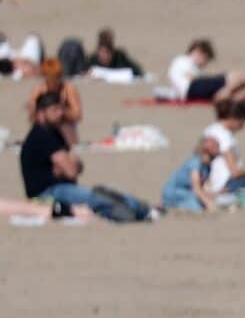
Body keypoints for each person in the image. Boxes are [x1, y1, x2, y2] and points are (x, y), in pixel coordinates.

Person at [19, 90, 151, 221]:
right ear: (41, 113)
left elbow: (77, 166)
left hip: (62, 188)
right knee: (97, 197)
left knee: (103, 193)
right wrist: (68, 165)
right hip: (47, 194)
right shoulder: (41, 135)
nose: (60, 114)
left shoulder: (54, 132)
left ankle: (141, 208)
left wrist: (66, 166)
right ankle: (133, 211)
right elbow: (71, 171)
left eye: (61, 109)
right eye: (54, 110)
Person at [164, 38, 245, 105]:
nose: (205, 64)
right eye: (206, 59)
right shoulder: (183, 60)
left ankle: (231, 96)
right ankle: (226, 92)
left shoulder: (186, 64)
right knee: (242, 76)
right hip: (192, 89)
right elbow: (191, 77)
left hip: (193, 91)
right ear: (199, 52)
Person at [160, 133, 221, 213]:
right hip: (175, 191)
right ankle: (169, 204)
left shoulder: (208, 166)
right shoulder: (195, 163)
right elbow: (196, 188)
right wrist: (208, 203)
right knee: (198, 207)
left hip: (187, 192)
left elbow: (205, 187)